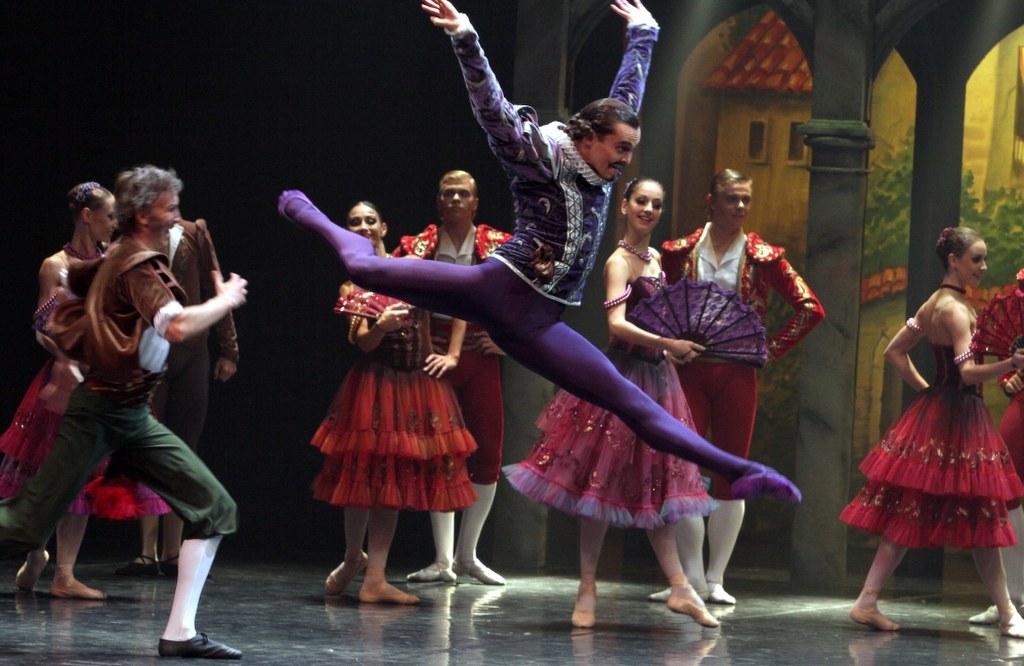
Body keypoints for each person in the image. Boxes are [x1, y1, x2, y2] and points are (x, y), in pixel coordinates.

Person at [277, 0, 801, 505]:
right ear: (589, 138)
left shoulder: (604, 154)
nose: (626, 160)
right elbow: (491, 108)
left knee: (630, 403)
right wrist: (465, 38)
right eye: (621, 148)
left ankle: (742, 471)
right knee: (362, 267)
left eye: (631, 150)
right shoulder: (539, 153)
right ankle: (306, 211)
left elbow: (628, 94)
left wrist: (644, 36)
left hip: (537, 323)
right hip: (495, 291)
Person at [0, 165, 247, 659]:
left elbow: (82, 306)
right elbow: (176, 327)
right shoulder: (135, 263)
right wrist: (225, 300)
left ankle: (180, 632)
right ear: (144, 214)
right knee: (24, 526)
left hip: (132, 413)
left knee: (215, 509)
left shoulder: (121, 255)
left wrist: (71, 360)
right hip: (99, 411)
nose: (177, 216)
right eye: (170, 208)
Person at [504, 177, 718, 628]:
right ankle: (587, 586)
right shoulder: (618, 262)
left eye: (656, 204)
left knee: (659, 483)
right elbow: (617, 325)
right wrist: (668, 342)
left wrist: (671, 350)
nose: (648, 210)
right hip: (621, 377)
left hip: (657, 379)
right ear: (624, 205)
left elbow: (657, 320)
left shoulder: (655, 259)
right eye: (641, 201)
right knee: (597, 485)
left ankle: (680, 586)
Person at [840, 227, 1024, 636]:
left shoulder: (932, 303)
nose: (983, 267)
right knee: (980, 516)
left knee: (912, 510)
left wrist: (928, 391)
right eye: (976, 259)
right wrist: (1010, 364)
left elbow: (893, 352)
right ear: (953, 261)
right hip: (959, 417)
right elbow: (968, 372)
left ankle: (868, 599)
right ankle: (1008, 613)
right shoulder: (956, 310)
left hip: (939, 412)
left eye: (984, 259)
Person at [652, 169, 824, 605]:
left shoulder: (763, 256)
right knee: (684, 470)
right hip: (688, 371)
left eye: (746, 199)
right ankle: (689, 578)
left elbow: (810, 308)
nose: (741, 207)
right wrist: (665, 345)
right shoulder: (678, 252)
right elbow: (652, 302)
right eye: (732, 198)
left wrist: (769, 349)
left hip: (737, 374)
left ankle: (715, 578)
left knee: (733, 472)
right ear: (711, 200)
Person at [315, 201, 477, 605]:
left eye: (370, 220)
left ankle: (375, 575)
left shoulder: (410, 269)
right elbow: (363, 343)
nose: (364, 227)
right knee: (361, 477)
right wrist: (382, 327)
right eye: (355, 222)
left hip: (415, 385)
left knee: (391, 479)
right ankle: (353, 557)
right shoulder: (353, 285)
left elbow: (457, 302)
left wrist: (451, 354)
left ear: (384, 226)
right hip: (376, 384)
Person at [0, 182, 125, 600]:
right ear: (87, 216)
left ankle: (65, 574)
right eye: (109, 216)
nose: (114, 223)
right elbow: (42, 328)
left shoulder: (111, 261)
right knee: (45, 473)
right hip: (66, 380)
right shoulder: (55, 265)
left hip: (100, 380)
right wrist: (68, 358)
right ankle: (36, 552)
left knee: (84, 475)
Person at [398, 170, 511, 586]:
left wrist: (507, 342)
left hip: (479, 352)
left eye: (464, 194)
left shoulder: (498, 245)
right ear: (438, 201)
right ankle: (443, 559)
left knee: (488, 451)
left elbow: (533, 293)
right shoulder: (421, 245)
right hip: (433, 353)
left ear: (476, 203)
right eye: (449, 193)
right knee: (441, 452)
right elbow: (392, 285)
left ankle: (468, 555)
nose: (456, 199)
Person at [115, 213, 240, 578]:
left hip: (192, 350)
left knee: (184, 448)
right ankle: (146, 552)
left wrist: (230, 350)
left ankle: (173, 550)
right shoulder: (132, 239)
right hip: (149, 349)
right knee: (147, 446)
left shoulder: (193, 233)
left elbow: (216, 286)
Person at [969, 268, 1024, 626]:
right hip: (1022, 406)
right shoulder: (1018, 303)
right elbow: (1011, 353)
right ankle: (1012, 598)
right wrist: (1010, 378)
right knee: (1006, 496)